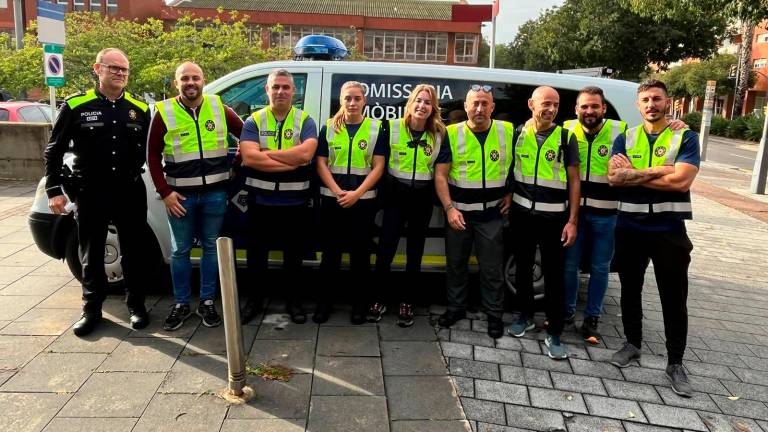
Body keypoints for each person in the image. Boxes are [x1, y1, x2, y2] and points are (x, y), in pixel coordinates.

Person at [44, 48, 151, 336]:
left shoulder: (140, 109)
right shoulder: (77, 105)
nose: (119, 73)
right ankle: (92, 310)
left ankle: (137, 306)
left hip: (130, 189)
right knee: (91, 253)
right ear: (97, 68)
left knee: (134, 251)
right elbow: (54, 150)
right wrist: (54, 190)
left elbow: (149, 149)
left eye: (124, 70)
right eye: (113, 68)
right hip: (92, 190)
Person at [607, 79, 699, 398]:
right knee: (630, 291)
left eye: (656, 99)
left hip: (668, 230)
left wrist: (636, 173)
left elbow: (681, 181)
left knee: (674, 299)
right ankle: (632, 345)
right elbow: (614, 178)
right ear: (638, 104)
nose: (651, 104)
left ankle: (675, 364)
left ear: (666, 101)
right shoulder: (626, 137)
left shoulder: (684, 135)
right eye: (645, 99)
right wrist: (661, 170)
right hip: (630, 227)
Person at [147, 62, 244, 331]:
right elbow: (152, 156)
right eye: (185, 78)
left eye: (196, 78)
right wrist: (164, 192)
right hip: (180, 199)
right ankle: (181, 303)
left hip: (215, 194)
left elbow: (247, 135)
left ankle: (207, 302)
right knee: (180, 251)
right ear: (176, 83)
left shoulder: (219, 108)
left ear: (203, 80)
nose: (191, 83)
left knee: (212, 248)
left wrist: (236, 164)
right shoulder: (163, 112)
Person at [506, 86, 580, 360]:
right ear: (531, 104)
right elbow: (509, 170)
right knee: (523, 270)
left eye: (555, 105)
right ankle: (524, 317)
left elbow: (574, 180)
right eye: (545, 104)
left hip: (554, 218)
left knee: (554, 275)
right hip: (522, 215)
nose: (550, 109)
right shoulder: (517, 134)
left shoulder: (565, 137)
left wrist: (573, 220)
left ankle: (555, 331)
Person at [239, 69, 318, 324]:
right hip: (260, 202)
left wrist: (267, 154)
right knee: (256, 259)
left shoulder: (305, 120)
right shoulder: (254, 120)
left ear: (294, 91)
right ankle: (254, 301)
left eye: (286, 87)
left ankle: (294, 303)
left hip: (294, 203)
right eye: (276, 87)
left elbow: (306, 155)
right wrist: (291, 161)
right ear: (267, 90)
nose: (281, 91)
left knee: (293, 259)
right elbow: (249, 157)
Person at [434, 84, 513, 340]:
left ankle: (494, 316)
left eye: (484, 103)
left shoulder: (507, 131)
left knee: (491, 269)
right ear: (465, 107)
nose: (479, 108)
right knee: (455, 266)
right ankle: (456, 309)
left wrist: (510, 192)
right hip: (459, 214)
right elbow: (441, 175)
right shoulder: (452, 133)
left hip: (491, 215)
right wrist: (449, 209)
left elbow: (519, 165)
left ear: (492, 107)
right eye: (474, 103)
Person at [369, 84, 446, 327]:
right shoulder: (391, 127)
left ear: (433, 108)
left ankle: (407, 302)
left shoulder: (438, 135)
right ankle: (378, 299)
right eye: (418, 101)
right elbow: (379, 164)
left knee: (415, 252)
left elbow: (441, 171)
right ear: (410, 104)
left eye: (427, 102)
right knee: (386, 249)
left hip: (421, 199)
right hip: (395, 196)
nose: (422, 106)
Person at [314, 81, 387, 324]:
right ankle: (324, 305)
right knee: (330, 256)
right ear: (341, 101)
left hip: (363, 203)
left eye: (357, 98)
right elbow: (321, 163)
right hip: (332, 201)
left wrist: (356, 193)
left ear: (364, 101)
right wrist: (337, 191)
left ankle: (359, 307)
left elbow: (378, 167)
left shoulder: (376, 128)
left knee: (360, 257)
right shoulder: (329, 127)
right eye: (348, 98)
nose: (352, 103)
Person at [561, 86, 626, 344]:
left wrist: (677, 124)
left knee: (600, 267)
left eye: (594, 106)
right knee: (570, 266)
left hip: (606, 213)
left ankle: (591, 318)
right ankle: (566, 313)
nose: (589, 111)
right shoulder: (566, 129)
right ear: (576, 109)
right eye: (584, 107)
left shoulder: (620, 132)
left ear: (604, 108)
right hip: (574, 213)